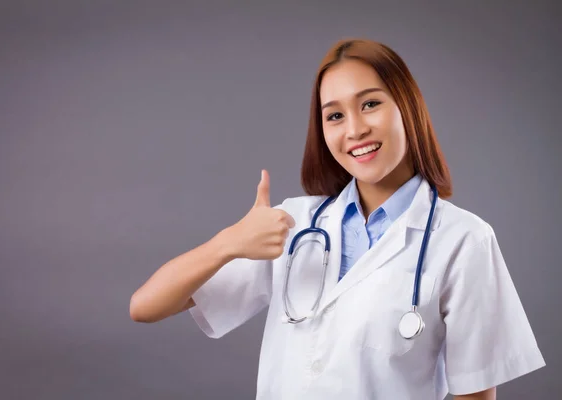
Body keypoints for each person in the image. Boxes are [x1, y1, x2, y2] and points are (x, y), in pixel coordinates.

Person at [129, 38, 546, 399]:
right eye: (335, 115)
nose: (355, 129)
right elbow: (144, 307)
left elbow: (475, 392)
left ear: (407, 106)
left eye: (370, 104)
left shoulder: (463, 240)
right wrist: (229, 243)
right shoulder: (290, 224)